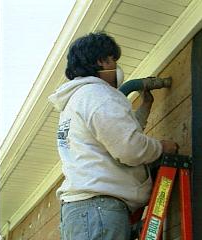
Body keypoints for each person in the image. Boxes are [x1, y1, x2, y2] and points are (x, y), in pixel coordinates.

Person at [48, 32, 179, 240]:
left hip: (82, 213)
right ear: (101, 61)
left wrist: (145, 107)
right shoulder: (97, 94)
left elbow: (116, 136)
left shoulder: (76, 101)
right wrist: (162, 147)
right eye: (113, 60)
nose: (116, 67)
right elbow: (130, 149)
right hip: (98, 211)